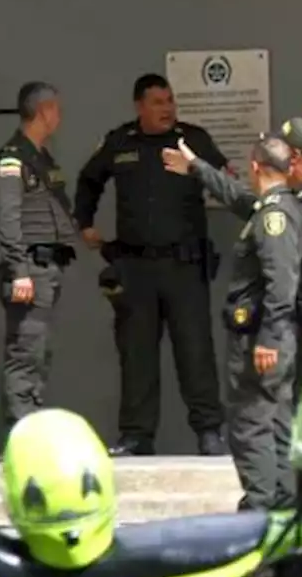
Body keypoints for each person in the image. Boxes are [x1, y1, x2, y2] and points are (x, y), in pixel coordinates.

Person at [73, 73, 228, 457]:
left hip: (184, 267)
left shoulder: (193, 139)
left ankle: (209, 432)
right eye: (158, 102)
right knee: (137, 354)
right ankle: (137, 436)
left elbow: (225, 179)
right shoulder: (120, 142)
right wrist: (85, 223)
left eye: (170, 101)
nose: (167, 109)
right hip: (136, 268)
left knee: (196, 353)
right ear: (139, 106)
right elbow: (89, 179)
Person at [164, 118, 302, 404]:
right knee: (285, 413)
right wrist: (196, 167)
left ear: (296, 157)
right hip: (291, 319)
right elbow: (242, 199)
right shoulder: (287, 193)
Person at [211, 135, 302, 510]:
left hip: (260, 340)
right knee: (278, 421)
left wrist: (267, 337)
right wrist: (197, 168)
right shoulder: (276, 207)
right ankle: (284, 502)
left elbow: (280, 283)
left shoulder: (274, 216)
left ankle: (260, 509)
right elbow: (236, 198)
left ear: (255, 167)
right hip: (273, 336)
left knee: (250, 423)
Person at [0, 82, 78, 431]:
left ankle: (30, 427)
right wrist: (20, 270)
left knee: (38, 353)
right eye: (55, 109)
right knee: (26, 354)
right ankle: (22, 434)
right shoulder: (12, 160)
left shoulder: (41, 158)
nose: (59, 116)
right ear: (42, 111)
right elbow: (7, 219)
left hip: (46, 269)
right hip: (29, 270)